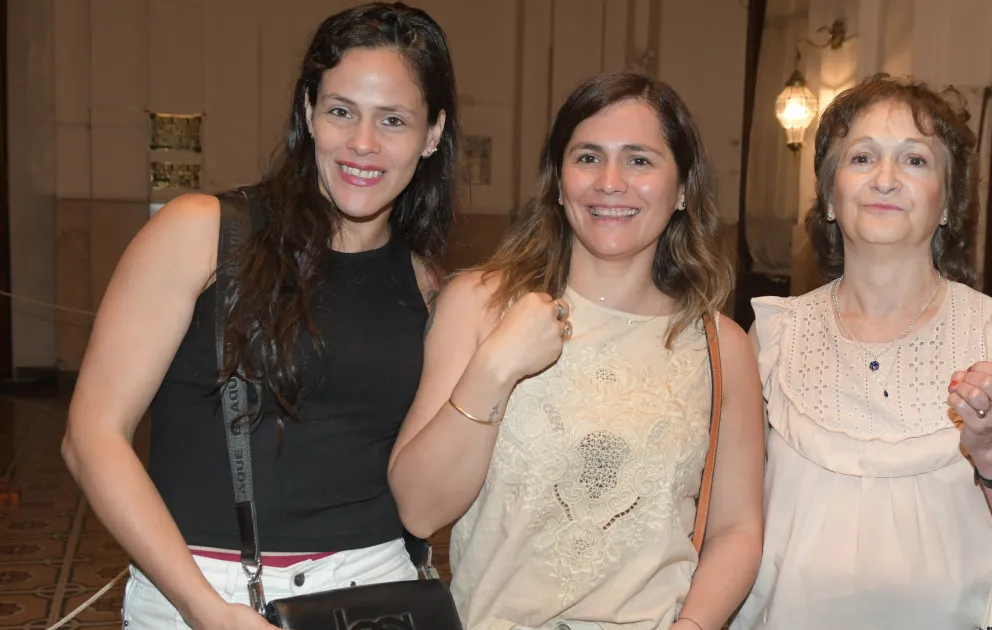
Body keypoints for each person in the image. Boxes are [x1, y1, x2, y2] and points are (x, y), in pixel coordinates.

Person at [60, 3, 459, 628]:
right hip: (207, 590)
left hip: (381, 587)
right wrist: (203, 608)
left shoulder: (426, 283)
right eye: (341, 111)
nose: (363, 143)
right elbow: (92, 436)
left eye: (393, 120)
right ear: (308, 111)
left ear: (432, 134)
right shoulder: (203, 233)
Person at [388, 72, 765, 630]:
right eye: (588, 158)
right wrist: (495, 366)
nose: (610, 182)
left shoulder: (720, 347)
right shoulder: (480, 305)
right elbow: (419, 510)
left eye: (639, 160)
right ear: (559, 185)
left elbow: (737, 528)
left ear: (683, 188)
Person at [730, 73, 992, 630]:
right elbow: (730, 524)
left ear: (948, 204)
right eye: (862, 158)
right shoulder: (772, 337)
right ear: (830, 197)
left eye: (914, 160)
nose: (886, 179)